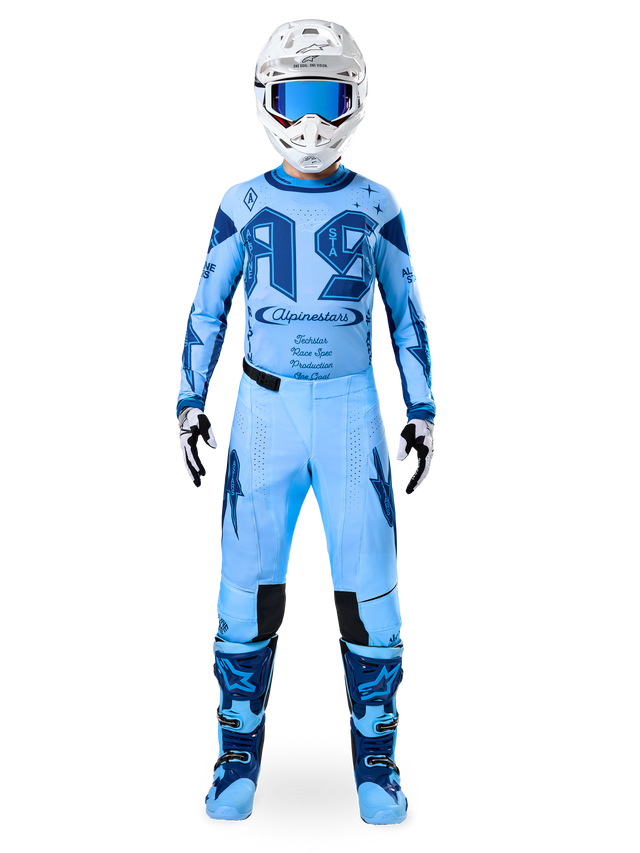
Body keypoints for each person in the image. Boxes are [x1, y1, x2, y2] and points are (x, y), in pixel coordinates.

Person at [175, 16, 438, 825]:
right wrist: (189, 402)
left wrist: (422, 411)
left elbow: (408, 314)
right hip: (264, 410)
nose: (313, 123)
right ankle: (235, 760)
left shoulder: (380, 201)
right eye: (296, 99)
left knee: (371, 593)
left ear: (359, 99)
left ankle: (378, 766)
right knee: (245, 590)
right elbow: (208, 309)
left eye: (331, 97)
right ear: (265, 99)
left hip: (353, 408)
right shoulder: (239, 200)